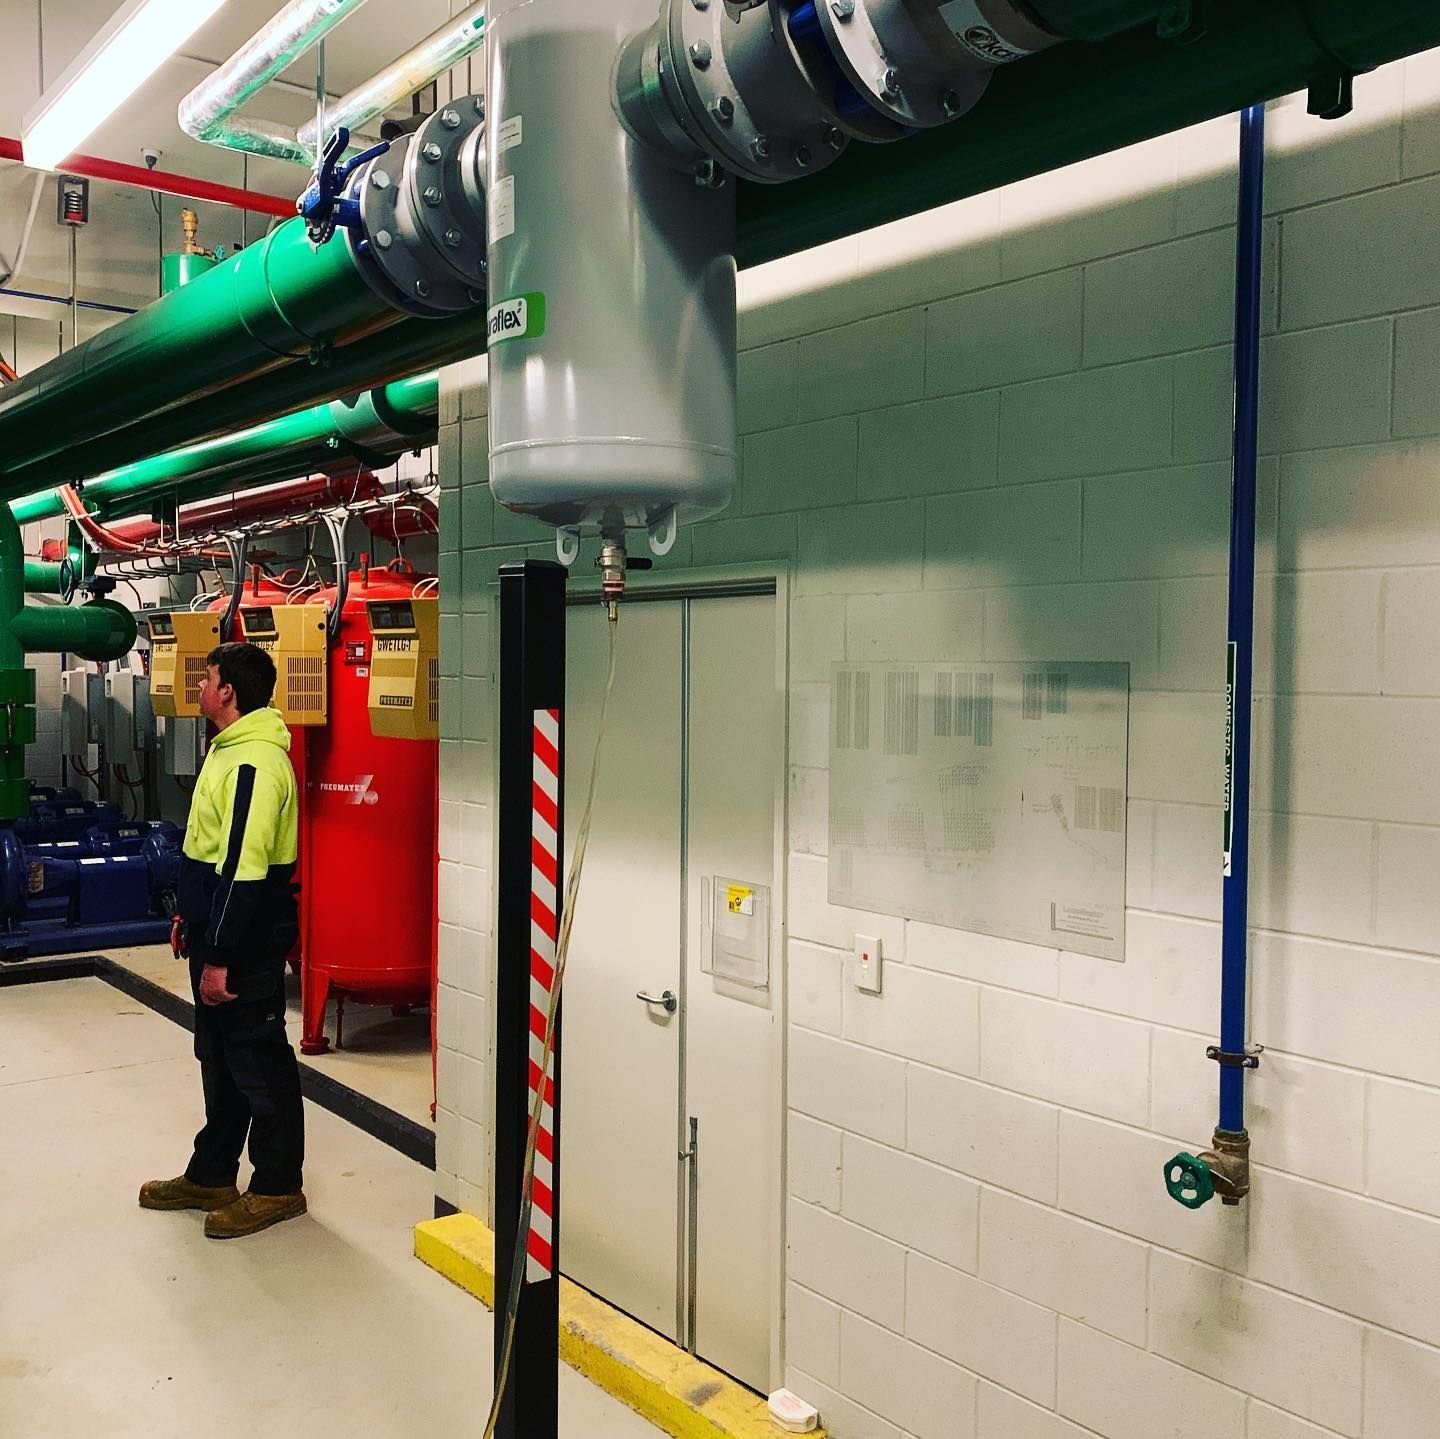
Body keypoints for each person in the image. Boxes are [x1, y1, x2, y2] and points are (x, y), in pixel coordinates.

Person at [139, 641, 306, 1239]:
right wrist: (191, 917)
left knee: (259, 1062)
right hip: (215, 928)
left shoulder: (256, 763)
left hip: (246, 938)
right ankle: (213, 1172)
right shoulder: (227, 751)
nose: (201, 686)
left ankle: (278, 1185)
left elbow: (245, 866)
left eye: (207, 677)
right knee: (220, 1057)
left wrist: (222, 957)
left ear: (227, 691)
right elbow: (208, 850)